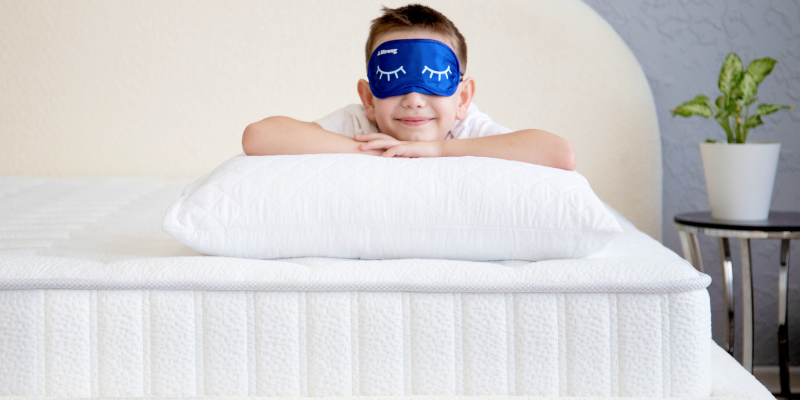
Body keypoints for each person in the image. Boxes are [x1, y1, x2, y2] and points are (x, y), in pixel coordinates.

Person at [242, 4, 576, 171]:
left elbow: (559, 154)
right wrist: (375, 151)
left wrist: (437, 151)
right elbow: (259, 136)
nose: (414, 100)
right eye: (393, 78)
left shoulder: (466, 128)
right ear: (368, 98)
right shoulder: (360, 125)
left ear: (463, 98)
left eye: (433, 78)